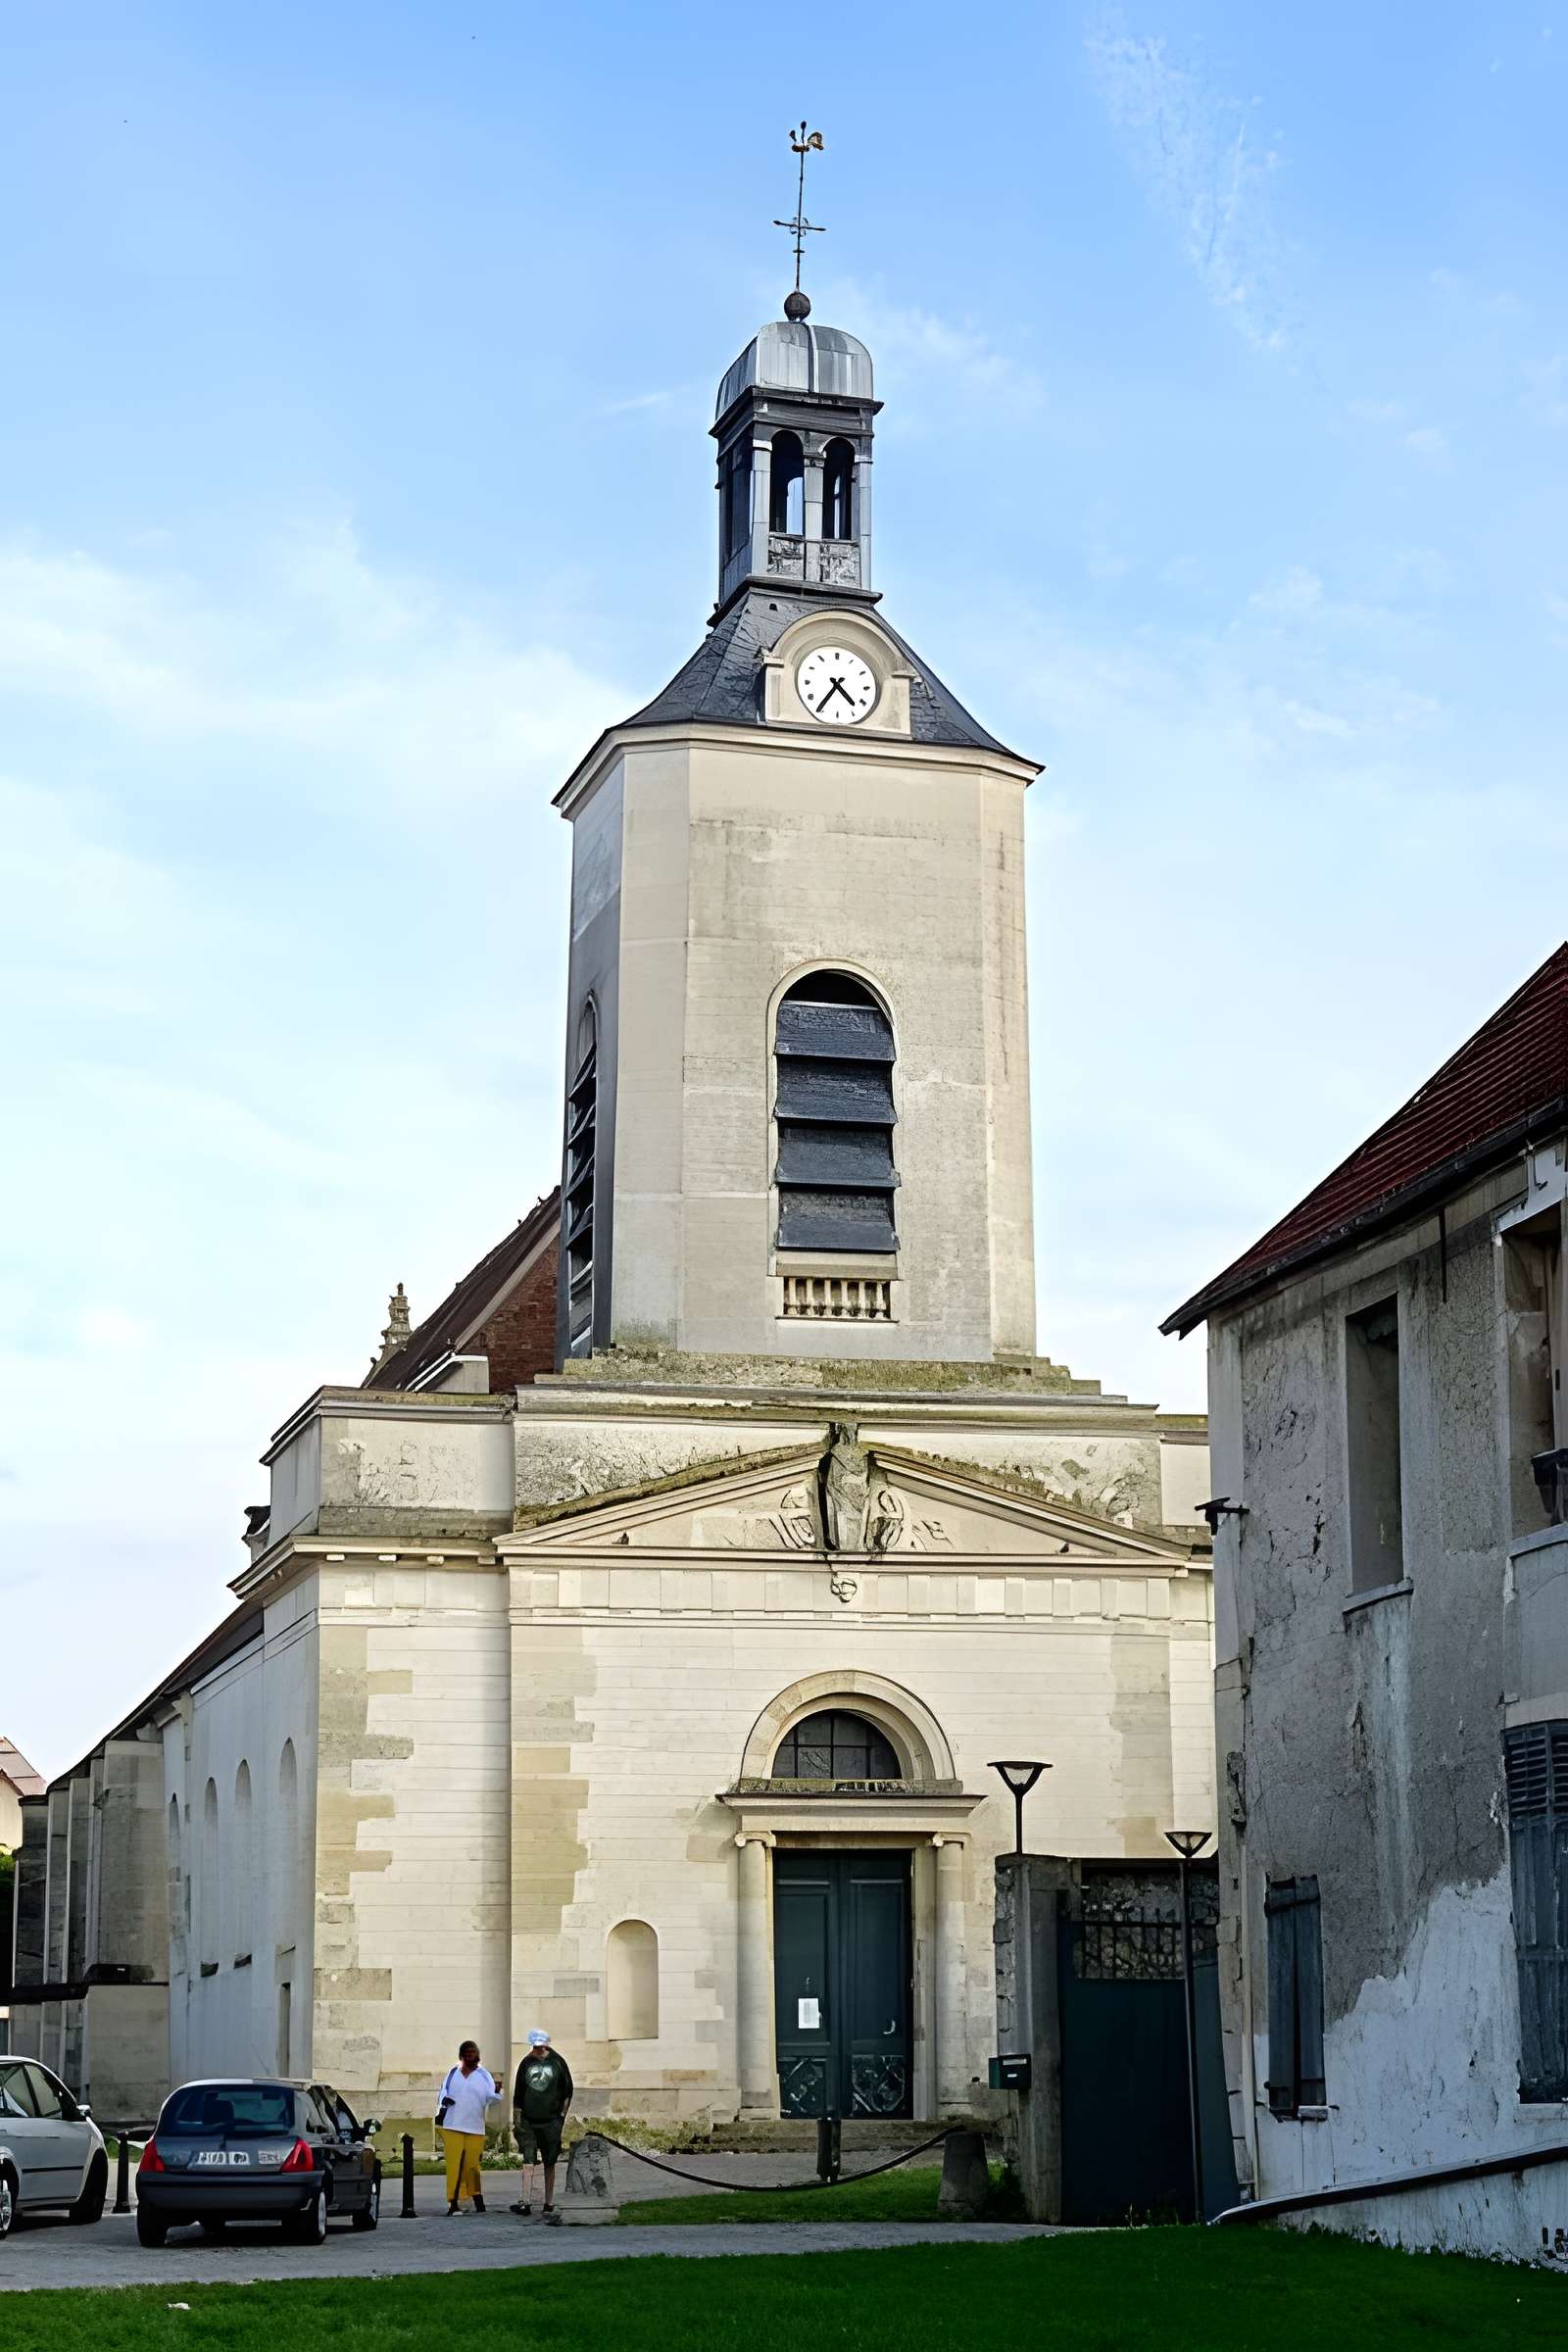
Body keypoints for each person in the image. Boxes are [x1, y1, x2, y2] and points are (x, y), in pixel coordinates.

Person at [509, 2028, 573, 2223]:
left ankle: (548, 2201)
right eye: (533, 2046)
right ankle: (526, 2202)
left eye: (538, 2047)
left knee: (549, 2161)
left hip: (550, 2121)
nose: (535, 2050)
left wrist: (561, 2117)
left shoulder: (558, 2062)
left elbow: (568, 2091)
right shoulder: (526, 2062)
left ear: (546, 2045)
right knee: (528, 2160)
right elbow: (518, 2095)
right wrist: (517, 2120)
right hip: (529, 2120)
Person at [435, 2038, 499, 2215]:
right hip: (453, 2125)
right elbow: (442, 2093)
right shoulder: (452, 2073)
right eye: (468, 2055)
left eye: (474, 2055)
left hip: (475, 2127)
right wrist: (444, 2101)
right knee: (454, 2166)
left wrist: (497, 2093)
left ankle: (477, 2198)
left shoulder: (483, 2075)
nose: (472, 2058)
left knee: (472, 2167)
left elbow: (491, 2098)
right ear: (462, 2056)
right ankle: (453, 2202)